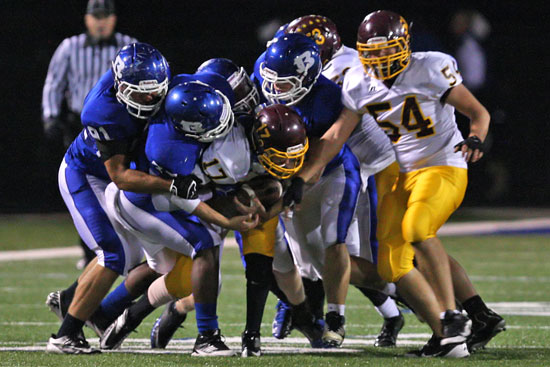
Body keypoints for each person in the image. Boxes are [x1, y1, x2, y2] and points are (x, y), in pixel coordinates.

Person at [286, 10, 493, 358]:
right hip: (403, 173)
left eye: (386, 50)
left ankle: (452, 315)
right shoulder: (358, 81)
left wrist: (475, 139)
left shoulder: (430, 67)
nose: (380, 59)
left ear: (404, 45)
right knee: (391, 265)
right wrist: (304, 177)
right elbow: (336, 135)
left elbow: (479, 113)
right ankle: (449, 341)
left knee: (416, 229)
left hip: (442, 164)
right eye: (373, 52)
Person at [45, 43, 205, 355]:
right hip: (86, 174)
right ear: (121, 87)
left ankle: (69, 300)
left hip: (113, 179)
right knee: (113, 255)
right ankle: (65, 335)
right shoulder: (102, 110)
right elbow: (119, 175)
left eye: (155, 91)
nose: (151, 99)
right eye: (142, 94)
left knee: (128, 256)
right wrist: (172, 185)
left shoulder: (154, 82)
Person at [271, 14, 405, 348]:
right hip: (340, 165)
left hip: (368, 166)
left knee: (364, 258)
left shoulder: (338, 74)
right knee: (328, 256)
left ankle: (422, 303)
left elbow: (331, 133)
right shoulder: (319, 69)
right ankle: (393, 310)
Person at [42, 0, 137, 269]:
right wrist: (50, 116)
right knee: (83, 184)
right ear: (86, 19)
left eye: (105, 16)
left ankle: (119, 243)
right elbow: (54, 83)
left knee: (118, 182)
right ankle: (92, 251)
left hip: (118, 126)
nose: (101, 21)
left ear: (114, 19)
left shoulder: (128, 45)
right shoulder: (69, 47)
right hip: (79, 127)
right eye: (96, 16)